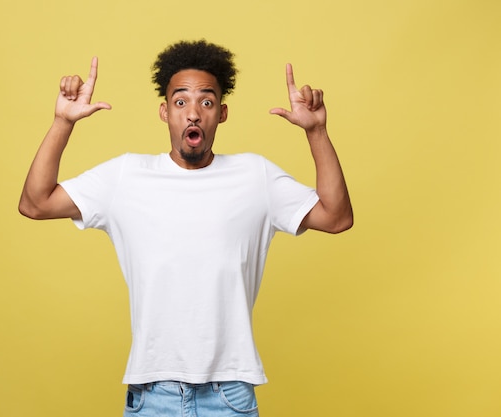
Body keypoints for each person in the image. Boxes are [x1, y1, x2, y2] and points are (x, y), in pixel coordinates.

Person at [19, 40, 353, 417]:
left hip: (230, 395)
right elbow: (35, 203)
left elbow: (336, 216)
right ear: (165, 112)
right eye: (181, 102)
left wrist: (317, 132)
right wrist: (63, 122)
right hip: (152, 394)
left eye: (206, 102)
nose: (193, 113)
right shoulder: (126, 176)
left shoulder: (255, 175)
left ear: (222, 113)